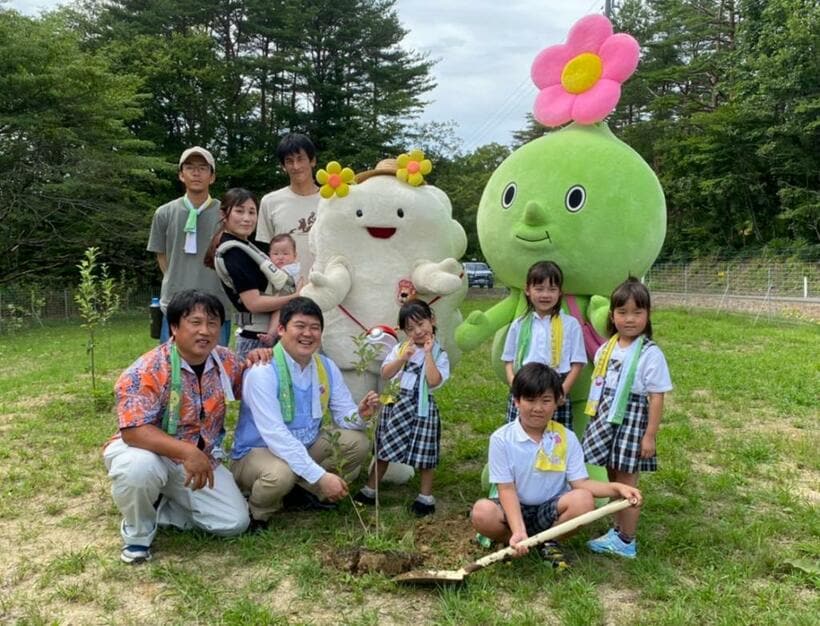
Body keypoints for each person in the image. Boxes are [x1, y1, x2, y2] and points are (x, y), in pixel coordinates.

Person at [103, 290, 250, 564]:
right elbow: (133, 431)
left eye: (212, 323)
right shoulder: (146, 369)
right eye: (195, 322)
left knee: (234, 522)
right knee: (138, 468)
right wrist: (186, 452)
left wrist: (263, 356)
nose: (204, 331)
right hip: (147, 450)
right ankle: (137, 533)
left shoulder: (226, 361)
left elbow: (250, 381)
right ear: (174, 327)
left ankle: (160, 504)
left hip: (198, 460)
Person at [471, 363, 642, 568]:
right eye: (530, 400)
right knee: (482, 512)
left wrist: (617, 488)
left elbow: (581, 483)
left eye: (546, 400)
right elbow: (506, 489)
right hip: (514, 507)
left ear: (557, 402)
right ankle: (515, 540)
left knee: (583, 500)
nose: (538, 408)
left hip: (551, 509)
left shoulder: (566, 438)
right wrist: (518, 530)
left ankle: (548, 541)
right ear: (516, 401)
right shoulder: (501, 439)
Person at [230, 297, 380, 529]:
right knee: (280, 474)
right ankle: (258, 512)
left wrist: (360, 414)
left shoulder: (325, 367)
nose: (308, 334)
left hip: (304, 444)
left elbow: (344, 416)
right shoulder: (263, 371)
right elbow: (275, 434)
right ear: (281, 329)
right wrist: (321, 477)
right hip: (258, 451)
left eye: (315, 328)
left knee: (357, 443)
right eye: (300, 326)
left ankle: (299, 492)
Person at [582, 277, 672, 558]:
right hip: (606, 417)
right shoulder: (607, 347)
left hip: (632, 421)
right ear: (612, 316)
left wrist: (650, 435)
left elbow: (656, 396)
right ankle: (617, 530)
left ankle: (627, 539)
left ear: (647, 315)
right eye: (622, 312)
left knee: (628, 483)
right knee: (613, 479)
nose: (629, 319)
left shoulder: (650, 353)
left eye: (637, 313)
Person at [354, 300, 450, 517]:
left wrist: (426, 354)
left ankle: (425, 497)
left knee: (425, 452)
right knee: (384, 448)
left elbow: (434, 381)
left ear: (431, 320)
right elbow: (386, 373)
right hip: (395, 404)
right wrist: (401, 358)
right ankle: (370, 489)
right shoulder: (399, 348)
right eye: (410, 328)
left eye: (421, 324)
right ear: (404, 331)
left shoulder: (439, 354)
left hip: (422, 407)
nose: (418, 332)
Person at [147, 147, 232, 346]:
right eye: (190, 167)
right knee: (172, 368)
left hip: (216, 305)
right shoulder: (164, 213)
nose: (196, 173)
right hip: (175, 305)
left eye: (203, 168)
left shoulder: (225, 215)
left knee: (214, 367)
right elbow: (161, 255)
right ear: (181, 175)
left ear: (212, 177)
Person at [204, 188, 301, 363]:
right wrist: (296, 297)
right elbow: (253, 303)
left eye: (252, 212)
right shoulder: (234, 252)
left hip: (260, 335)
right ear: (224, 214)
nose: (247, 218)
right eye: (239, 211)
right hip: (257, 340)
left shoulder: (245, 246)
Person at [501, 261, 586, 428]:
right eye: (539, 289)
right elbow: (508, 359)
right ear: (528, 290)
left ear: (560, 292)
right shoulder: (519, 324)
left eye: (552, 289)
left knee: (556, 440)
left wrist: (562, 391)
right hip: (525, 386)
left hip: (555, 388)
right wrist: (515, 385)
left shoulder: (570, 324)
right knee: (520, 435)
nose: (545, 295)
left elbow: (577, 363)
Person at [256, 133, 320, 283]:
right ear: (283, 166)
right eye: (289, 161)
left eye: (300, 159)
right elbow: (265, 253)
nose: (296, 166)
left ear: (313, 161)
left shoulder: (330, 201)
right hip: (285, 293)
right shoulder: (270, 202)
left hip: (325, 291)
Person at [258, 234, 301, 346]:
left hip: (290, 301)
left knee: (277, 312)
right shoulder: (274, 267)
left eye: (285, 254)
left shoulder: (292, 269)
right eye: (275, 254)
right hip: (283, 298)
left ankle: (271, 335)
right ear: (269, 255)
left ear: (295, 255)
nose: (280, 257)